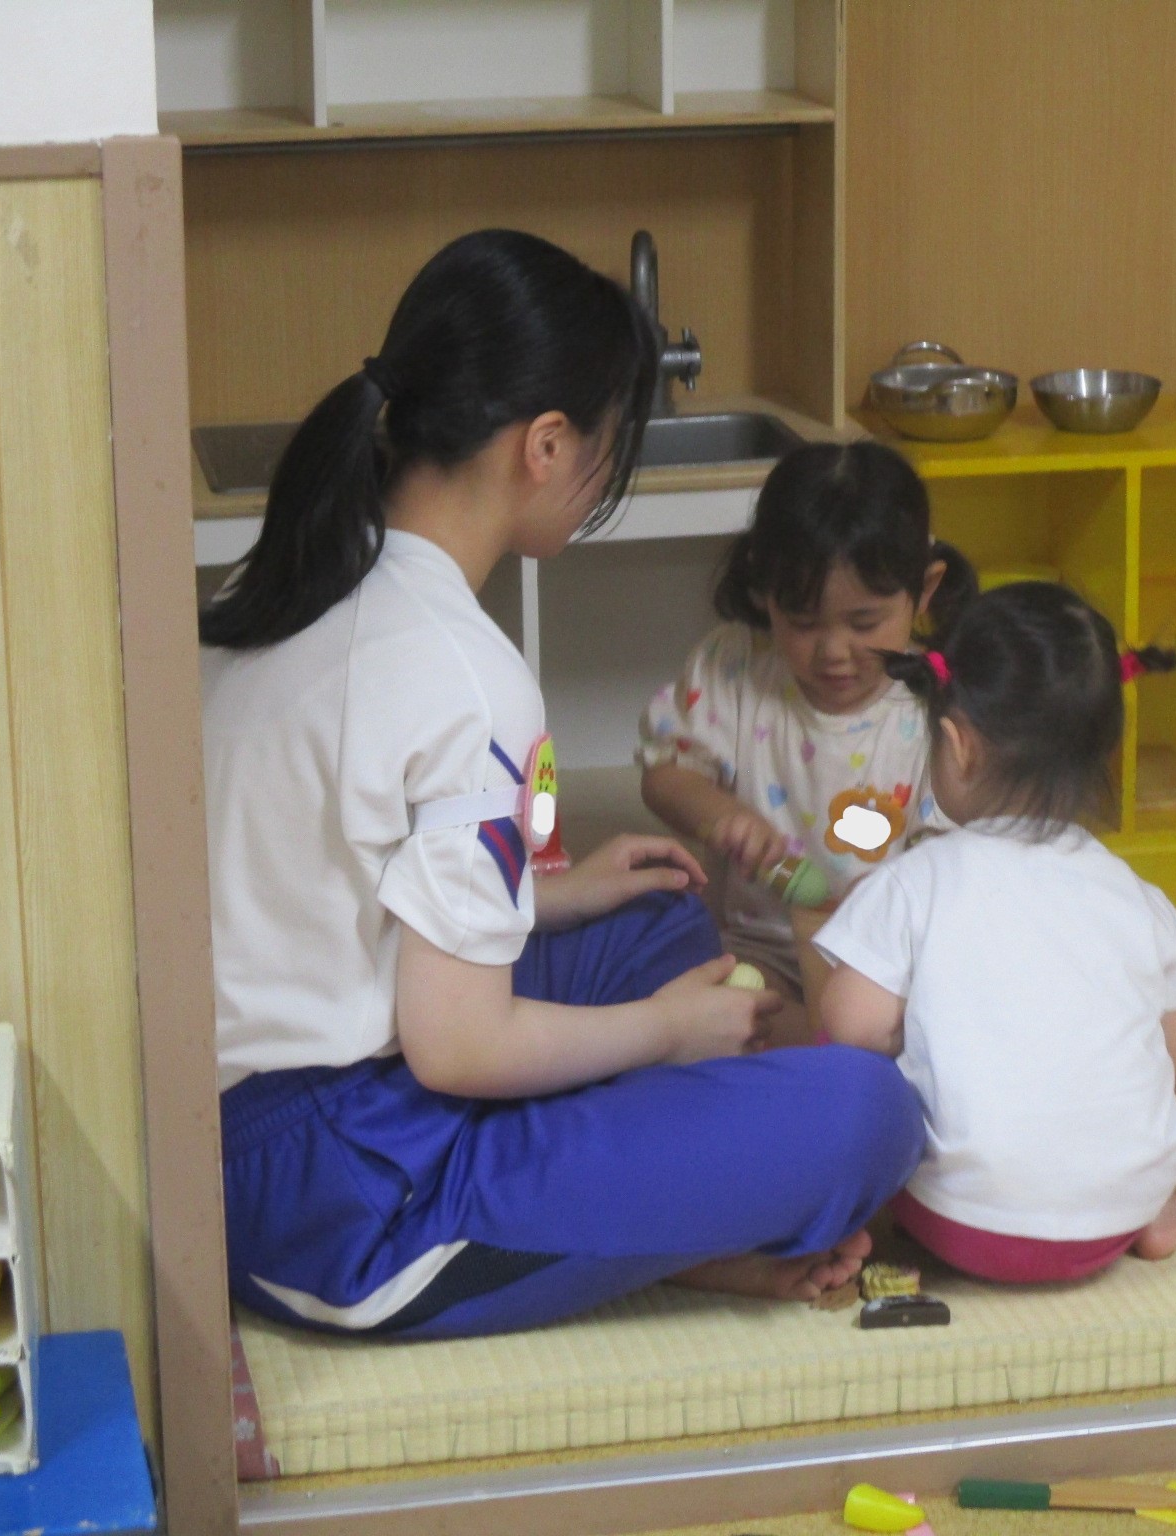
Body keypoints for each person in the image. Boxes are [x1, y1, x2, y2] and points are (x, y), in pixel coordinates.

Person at [200, 230, 924, 1339]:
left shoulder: (293, 573)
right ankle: (650, 1227)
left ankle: (642, 1210)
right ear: (544, 445)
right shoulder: (466, 676)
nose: (604, 476)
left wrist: (547, 898)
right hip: (349, 1203)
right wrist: (662, 1033)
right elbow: (459, 1048)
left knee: (651, 919)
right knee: (866, 1113)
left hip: (245, 1122)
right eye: (605, 444)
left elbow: (318, 885)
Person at [812, 582, 1176, 1284]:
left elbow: (849, 1024)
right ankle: (1166, 1203)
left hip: (955, 1223)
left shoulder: (915, 879)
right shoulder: (1134, 897)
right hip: (1114, 1216)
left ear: (957, 746)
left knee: (843, 1062)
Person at [639, 442, 976, 1043]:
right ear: (764, 589)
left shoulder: (936, 702)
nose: (833, 652)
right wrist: (720, 816)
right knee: (706, 1007)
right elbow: (666, 774)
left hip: (884, 964)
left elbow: (958, 859)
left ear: (924, 590)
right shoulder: (735, 666)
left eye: (865, 623)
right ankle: (811, 1044)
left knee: (943, 1025)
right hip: (760, 947)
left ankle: (823, 1045)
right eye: (802, 622)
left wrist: (889, 902)